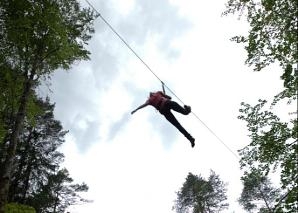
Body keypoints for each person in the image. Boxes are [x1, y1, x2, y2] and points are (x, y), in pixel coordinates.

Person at [131, 90, 195, 147]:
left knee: (185, 112)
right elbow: (143, 105)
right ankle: (190, 138)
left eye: (151, 93)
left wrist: (164, 95)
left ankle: (187, 109)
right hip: (164, 111)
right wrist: (136, 109)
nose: (150, 93)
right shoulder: (149, 100)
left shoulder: (158, 92)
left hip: (168, 103)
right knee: (178, 126)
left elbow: (170, 98)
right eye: (150, 94)